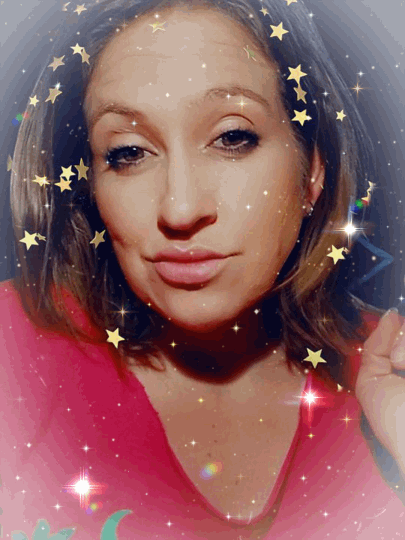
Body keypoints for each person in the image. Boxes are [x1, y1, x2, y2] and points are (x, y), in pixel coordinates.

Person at [1, 0, 405, 538]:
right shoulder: (14, 352)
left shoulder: (391, 379)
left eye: (232, 138)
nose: (180, 208)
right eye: (128, 152)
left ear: (313, 170)